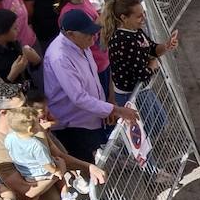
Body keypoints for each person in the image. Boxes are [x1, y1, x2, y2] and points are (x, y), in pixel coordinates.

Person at [43, 9, 139, 163]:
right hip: (75, 125)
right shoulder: (59, 57)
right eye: (87, 34)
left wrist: (106, 108)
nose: (93, 37)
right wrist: (115, 110)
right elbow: (79, 97)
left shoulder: (81, 44)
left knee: (101, 160)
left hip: (91, 117)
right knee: (90, 166)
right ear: (70, 34)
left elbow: (92, 78)